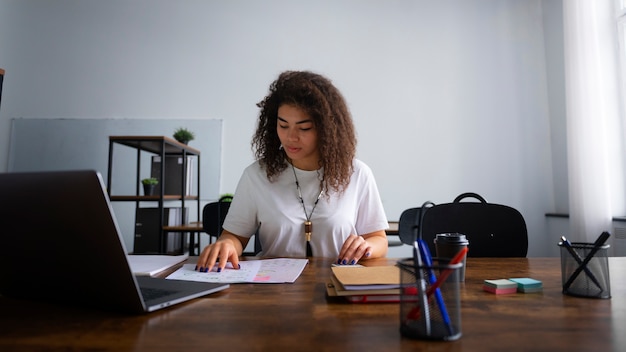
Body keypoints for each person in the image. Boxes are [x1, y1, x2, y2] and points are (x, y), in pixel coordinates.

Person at [196, 70, 388, 272]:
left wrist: (367, 247)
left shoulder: (357, 173)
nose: (291, 137)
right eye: (283, 125)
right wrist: (227, 243)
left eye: (304, 128)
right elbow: (235, 236)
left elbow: (378, 240)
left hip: (336, 284)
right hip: (273, 288)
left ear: (327, 129)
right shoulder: (257, 175)